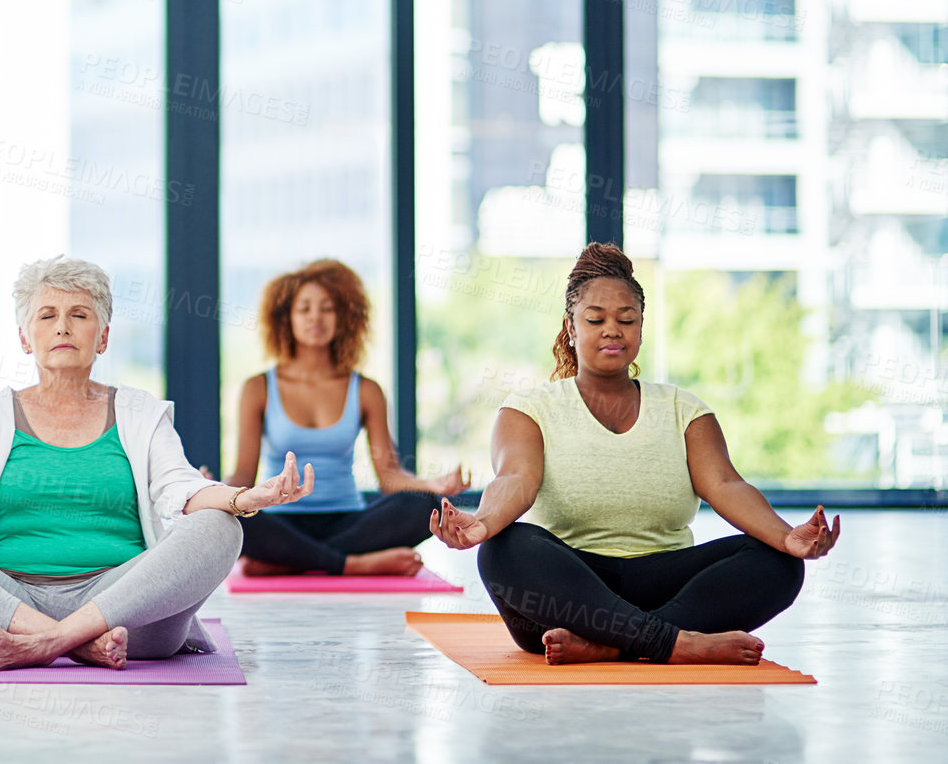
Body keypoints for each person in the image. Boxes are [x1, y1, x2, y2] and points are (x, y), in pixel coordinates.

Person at [0, 254, 314, 670]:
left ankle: (51, 640)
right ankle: (76, 642)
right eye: (48, 316)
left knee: (221, 528)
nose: (63, 326)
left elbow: (181, 489)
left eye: (79, 315)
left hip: (124, 605)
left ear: (102, 336)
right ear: (26, 338)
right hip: (2, 601)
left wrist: (247, 499)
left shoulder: (140, 413)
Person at [430, 242, 840, 666]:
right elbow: (515, 479)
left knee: (780, 563)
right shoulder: (529, 409)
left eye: (627, 320)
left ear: (641, 328)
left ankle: (614, 645)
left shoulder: (685, 410)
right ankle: (675, 643)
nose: (613, 330)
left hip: (664, 583)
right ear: (570, 327)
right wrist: (481, 523)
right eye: (596, 319)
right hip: (571, 594)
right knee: (504, 548)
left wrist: (785, 536)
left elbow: (726, 484)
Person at [228, 259, 466, 576]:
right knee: (227, 516)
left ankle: (288, 561)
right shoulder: (257, 388)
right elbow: (243, 475)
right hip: (280, 520)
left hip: (349, 520)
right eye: (305, 309)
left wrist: (430, 484)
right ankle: (351, 564)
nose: (316, 317)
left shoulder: (366, 390)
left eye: (327, 308)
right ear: (286, 318)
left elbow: (389, 476)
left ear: (344, 317)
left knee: (423, 505)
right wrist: (212, 489)